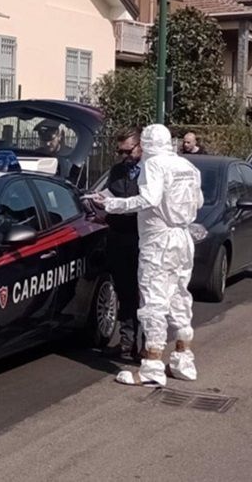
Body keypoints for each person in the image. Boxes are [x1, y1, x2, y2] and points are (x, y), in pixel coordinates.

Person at [89, 124, 204, 387]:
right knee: (179, 297)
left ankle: (152, 366)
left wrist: (113, 204)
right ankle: (183, 359)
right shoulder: (187, 167)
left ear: (147, 144)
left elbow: (149, 199)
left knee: (153, 301)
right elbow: (197, 202)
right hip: (182, 238)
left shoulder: (154, 165)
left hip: (159, 239)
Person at [103, 127, 144, 363]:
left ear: (140, 146)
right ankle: (127, 342)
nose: (124, 157)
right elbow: (111, 195)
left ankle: (147, 346)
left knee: (144, 294)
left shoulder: (150, 171)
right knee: (125, 292)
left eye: (128, 151)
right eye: (120, 152)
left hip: (142, 238)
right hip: (119, 236)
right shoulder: (118, 170)